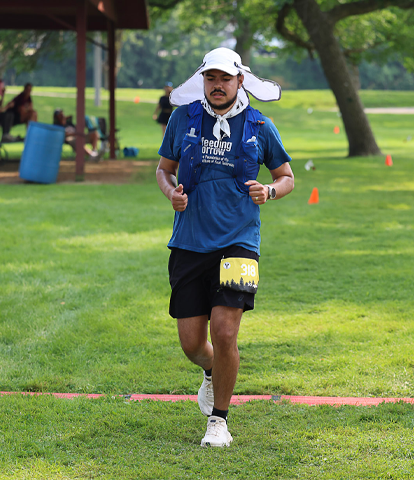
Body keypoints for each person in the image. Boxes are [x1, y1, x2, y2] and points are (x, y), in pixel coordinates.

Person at [156, 48, 294, 447]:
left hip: (240, 241)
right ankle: (211, 371)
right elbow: (164, 170)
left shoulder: (260, 125)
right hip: (189, 241)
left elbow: (286, 177)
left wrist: (269, 190)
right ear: (203, 80)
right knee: (192, 343)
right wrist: (171, 194)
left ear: (240, 81)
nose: (218, 85)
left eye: (225, 79)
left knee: (225, 331)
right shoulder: (183, 118)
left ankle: (219, 420)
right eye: (211, 78)